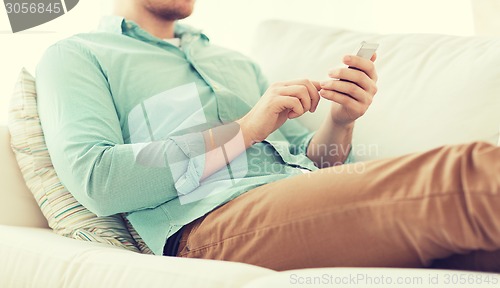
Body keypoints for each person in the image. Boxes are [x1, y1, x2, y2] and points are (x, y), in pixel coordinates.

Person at [36, 0, 500, 272]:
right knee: (467, 173)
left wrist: (340, 120)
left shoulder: (234, 62)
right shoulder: (77, 55)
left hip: (292, 196)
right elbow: (99, 180)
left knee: (480, 250)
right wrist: (247, 128)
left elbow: (315, 163)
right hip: (208, 226)